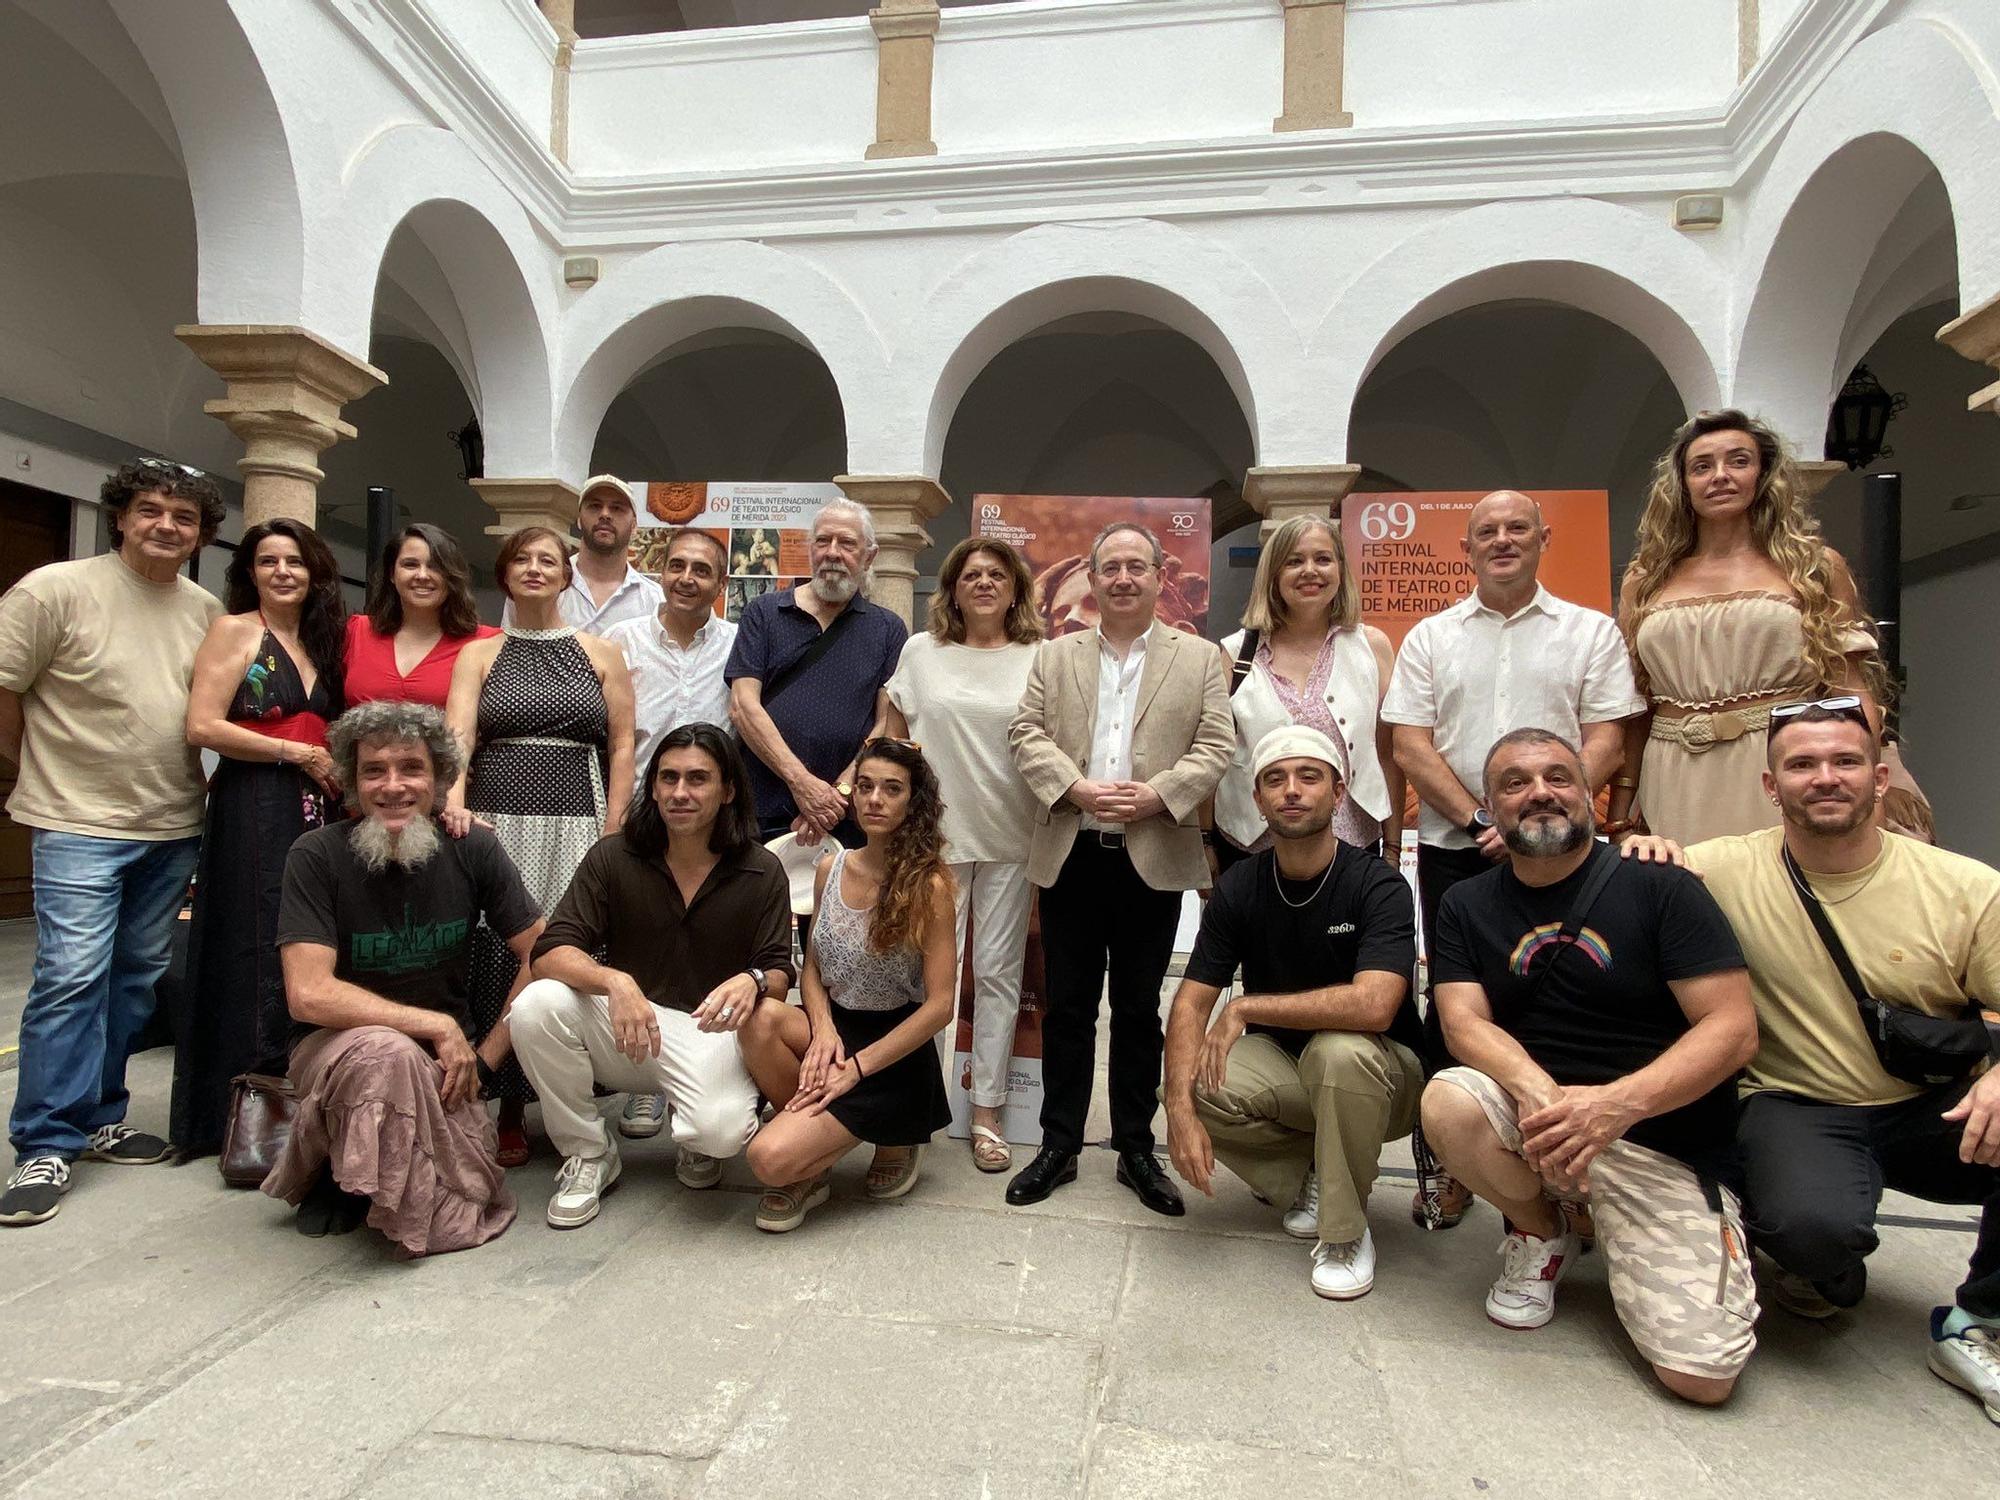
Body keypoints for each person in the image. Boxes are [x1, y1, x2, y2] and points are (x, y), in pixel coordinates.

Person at [1621, 700, 2000, 1426]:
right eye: (1802, 765)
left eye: (1845, 762)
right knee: (1810, 1226)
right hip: (1797, 1105)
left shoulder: (1965, 887)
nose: (1825, 778)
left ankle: (1981, 1319)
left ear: (1880, 778)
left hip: (1930, 1103)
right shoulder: (1722, 866)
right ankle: (1820, 1265)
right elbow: (1623, 888)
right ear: (1771, 786)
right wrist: (1645, 853)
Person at [1419, 728, 1760, 1405]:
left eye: (1557, 777)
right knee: (1448, 1102)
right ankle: (1543, 1230)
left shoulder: (1660, 885)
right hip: (1541, 1122)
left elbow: (1732, 1029)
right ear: (1490, 808)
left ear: (1590, 796)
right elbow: (1462, 1022)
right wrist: (1543, 1096)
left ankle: (1611, 1217)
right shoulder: (1467, 903)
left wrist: (1613, 1108)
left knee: (1702, 1378)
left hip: (1655, 1141)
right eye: (1514, 783)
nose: (1539, 792)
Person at [1382, 489, 1645, 1227]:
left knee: (1559, 995)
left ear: (1543, 539)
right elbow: (1410, 744)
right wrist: (1481, 819)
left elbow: (1606, 741)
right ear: (1464, 549)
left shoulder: (1590, 633)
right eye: (1486, 531)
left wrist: (1537, 815)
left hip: (1564, 854)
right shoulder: (1431, 637)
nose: (1502, 540)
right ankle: (1451, 1162)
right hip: (1455, 849)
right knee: (1458, 1004)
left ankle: (1554, 1162)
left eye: (1516, 528)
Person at [0, 459, 225, 1227]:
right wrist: (30, 771)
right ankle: (44, 1140)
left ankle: (99, 1114)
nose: (167, 525)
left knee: (134, 978)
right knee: (70, 976)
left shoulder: (201, 609)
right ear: (121, 516)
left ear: (201, 535)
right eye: (152, 510)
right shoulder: (53, 590)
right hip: (77, 821)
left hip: (170, 822)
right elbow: (7, 690)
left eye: (184, 517)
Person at [1004, 522, 1234, 1215]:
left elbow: (1217, 743)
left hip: (1153, 856)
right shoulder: (1055, 655)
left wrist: (1161, 793)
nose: (1125, 578)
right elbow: (1026, 732)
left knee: (1138, 1011)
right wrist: (1072, 786)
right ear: (1094, 578)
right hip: (1072, 851)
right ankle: (1059, 1146)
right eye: (1112, 568)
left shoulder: (1198, 659)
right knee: (1068, 1009)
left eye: (1138, 566)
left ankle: (1137, 1147)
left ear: (1161, 577)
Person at [261, 702, 542, 1253]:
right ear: (350, 781)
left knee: (470, 1186)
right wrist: (433, 1024)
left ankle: (364, 1178)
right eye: (373, 771)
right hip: (335, 1052)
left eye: (411, 768)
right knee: (386, 1053)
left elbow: (544, 953)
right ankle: (342, 1174)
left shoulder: (473, 848)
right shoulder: (315, 855)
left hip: (447, 1070)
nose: (393, 786)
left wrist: (485, 1059)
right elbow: (307, 993)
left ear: (438, 780)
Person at [1163, 727, 1422, 1299]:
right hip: (1288, 1066)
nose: (1292, 791)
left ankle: (1346, 1232)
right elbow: (1192, 1000)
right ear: (1257, 800)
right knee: (1189, 1082)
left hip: (1385, 1079)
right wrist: (1178, 1111)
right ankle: (1316, 1175)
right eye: (1275, 780)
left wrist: (1248, 1007)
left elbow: (1376, 1005)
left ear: (1338, 791)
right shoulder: (1241, 886)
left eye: (1309, 777)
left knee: (1339, 1050)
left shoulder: (1377, 884)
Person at [511, 725, 794, 1228]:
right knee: (536, 1005)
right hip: (627, 1028)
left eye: (697, 779)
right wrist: (616, 982)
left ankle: (693, 1133)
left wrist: (751, 979)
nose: (679, 792)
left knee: (723, 1133)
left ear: (728, 790)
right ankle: (590, 1153)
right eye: (668, 778)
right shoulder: (614, 856)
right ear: (654, 786)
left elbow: (778, 972)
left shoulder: (761, 868)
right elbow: (550, 952)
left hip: (710, 1032)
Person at [444, 526, 636, 1166]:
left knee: (561, 945)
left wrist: (613, 825)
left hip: (576, 812)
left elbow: (622, 745)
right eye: (521, 559)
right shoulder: (479, 654)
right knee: (495, 945)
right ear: (504, 574)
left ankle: (567, 1101)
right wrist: (455, 802)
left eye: (547, 560)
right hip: (496, 816)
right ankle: (505, 1107)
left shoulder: (601, 652)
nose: (534, 568)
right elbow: (460, 735)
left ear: (567, 576)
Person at [1609, 409, 1881, 847]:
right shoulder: (1646, 578)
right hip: (1675, 769)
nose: (1720, 476)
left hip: (1781, 762)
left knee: (1780, 898)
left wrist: (1866, 784)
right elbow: (1637, 707)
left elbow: (1849, 691)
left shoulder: (1813, 567)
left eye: (1738, 461)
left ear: (1763, 474)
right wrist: (1620, 813)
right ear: (1683, 483)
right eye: (1702, 466)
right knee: (1686, 899)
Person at [174, 519, 348, 1161]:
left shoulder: (325, 642)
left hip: (320, 806)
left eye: (295, 561)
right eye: (268, 561)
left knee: (309, 939)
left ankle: (303, 1101)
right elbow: (202, 725)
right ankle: (242, 1116)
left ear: (314, 571)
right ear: (249, 570)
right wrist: (292, 751)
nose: (282, 572)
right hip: (255, 803)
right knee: (253, 941)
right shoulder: (235, 631)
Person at [737, 739, 956, 1232]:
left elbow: (941, 1005)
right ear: (853, 796)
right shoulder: (829, 867)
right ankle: (814, 1156)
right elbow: (812, 967)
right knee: (759, 1019)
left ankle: (891, 1135)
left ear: (913, 802)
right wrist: (823, 1029)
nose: (875, 798)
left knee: (767, 1159)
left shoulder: (932, 884)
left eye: (891, 789)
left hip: (893, 1053)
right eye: (866, 786)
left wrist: (855, 1069)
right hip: (837, 1033)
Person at [884, 535, 1042, 1173]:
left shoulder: (1042, 656)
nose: (983, 583)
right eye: (970, 574)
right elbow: (892, 740)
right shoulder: (922, 653)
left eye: (996, 575)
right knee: (924, 979)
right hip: (934, 841)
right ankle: (910, 1105)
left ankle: (988, 1111)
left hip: (1012, 835)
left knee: (999, 975)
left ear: (1014, 590)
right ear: (950, 587)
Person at [599, 526, 738, 1144]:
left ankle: (704, 1069)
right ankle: (643, 1086)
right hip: (639, 811)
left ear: (720, 583)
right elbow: (608, 734)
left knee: (705, 940)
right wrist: (612, 815)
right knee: (640, 943)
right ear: (660, 571)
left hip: (711, 814)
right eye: (676, 565)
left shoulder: (737, 645)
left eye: (701, 570)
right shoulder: (619, 642)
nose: (687, 577)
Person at [1212, 515, 1401, 865]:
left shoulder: (1372, 647)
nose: (1310, 570)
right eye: (1294, 561)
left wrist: (1392, 846)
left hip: (1353, 845)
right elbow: (1214, 757)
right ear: (1273, 575)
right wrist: (1206, 845)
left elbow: (1388, 753)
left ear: (1340, 570)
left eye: (1323, 559)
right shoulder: (1234, 653)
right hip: (1251, 848)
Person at [726, 500, 906, 843]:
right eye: (823, 541)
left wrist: (836, 794)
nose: (833, 553)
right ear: (810, 549)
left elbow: (887, 724)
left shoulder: (888, 629)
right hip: (761, 806)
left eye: (847, 543)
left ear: (869, 556)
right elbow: (742, 707)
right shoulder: (763, 614)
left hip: (847, 813)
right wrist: (802, 784)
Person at [343, 524, 498, 709]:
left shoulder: (487, 642)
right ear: (392, 574)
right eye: (410, 565)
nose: (423, 575)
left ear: (451, 577)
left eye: (435, 567)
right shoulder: (357, 631)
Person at [501, 474, 662, 633]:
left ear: (634, 526)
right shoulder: (537, 584)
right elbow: (508, 649)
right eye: (595, 506)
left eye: (617, 508)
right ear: (579, 519)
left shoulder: (655, 600)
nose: (605, 514)